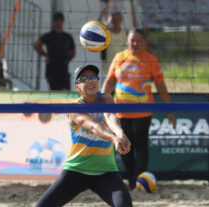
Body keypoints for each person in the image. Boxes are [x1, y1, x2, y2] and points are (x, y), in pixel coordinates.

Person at [36, 65, 132, 207]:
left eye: (93, 77)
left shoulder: (106, 99)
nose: (90, 81)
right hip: (76, 170)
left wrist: (120, 133)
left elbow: (111, 117)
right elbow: (94, 126)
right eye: (85, 79)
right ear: (77, 87)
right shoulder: (75, 109)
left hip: (105, 171)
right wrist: (114, 138)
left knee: (124, 205)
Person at [101, 28, 176, 190]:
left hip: (143, 112)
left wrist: (169, 110)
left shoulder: (151, 60)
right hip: (121, 111)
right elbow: (109, 81)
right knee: (124, 147)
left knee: (141, 147)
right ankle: (131, 182)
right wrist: (99, 102)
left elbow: (161, 87)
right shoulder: (119, 57)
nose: (135, 43)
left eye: (139, 40)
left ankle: (139, 182)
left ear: (144, 42)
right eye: (132, 40)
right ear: (127, 40)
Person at [33, 12, 75, 91]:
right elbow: (36, 45)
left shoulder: (68, 37)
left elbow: (73, 53)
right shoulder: (49, 36)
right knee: (55, 94)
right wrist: (45, 55)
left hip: (63, 70)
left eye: (59, 20)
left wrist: (66, 59)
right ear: (53, 21)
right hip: (52, 70)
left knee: (65, 93)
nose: (58, 22)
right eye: (56, 20)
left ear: (63, 21)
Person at [98, 8, 127, 74]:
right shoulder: (107, 34)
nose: (116, 21)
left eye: (118, 19)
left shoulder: (126, 33)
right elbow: (96, 29)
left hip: (124, 67)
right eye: (114, 19)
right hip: (110, 68)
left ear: (121, 20)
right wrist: (102, 14)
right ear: (112, 20)